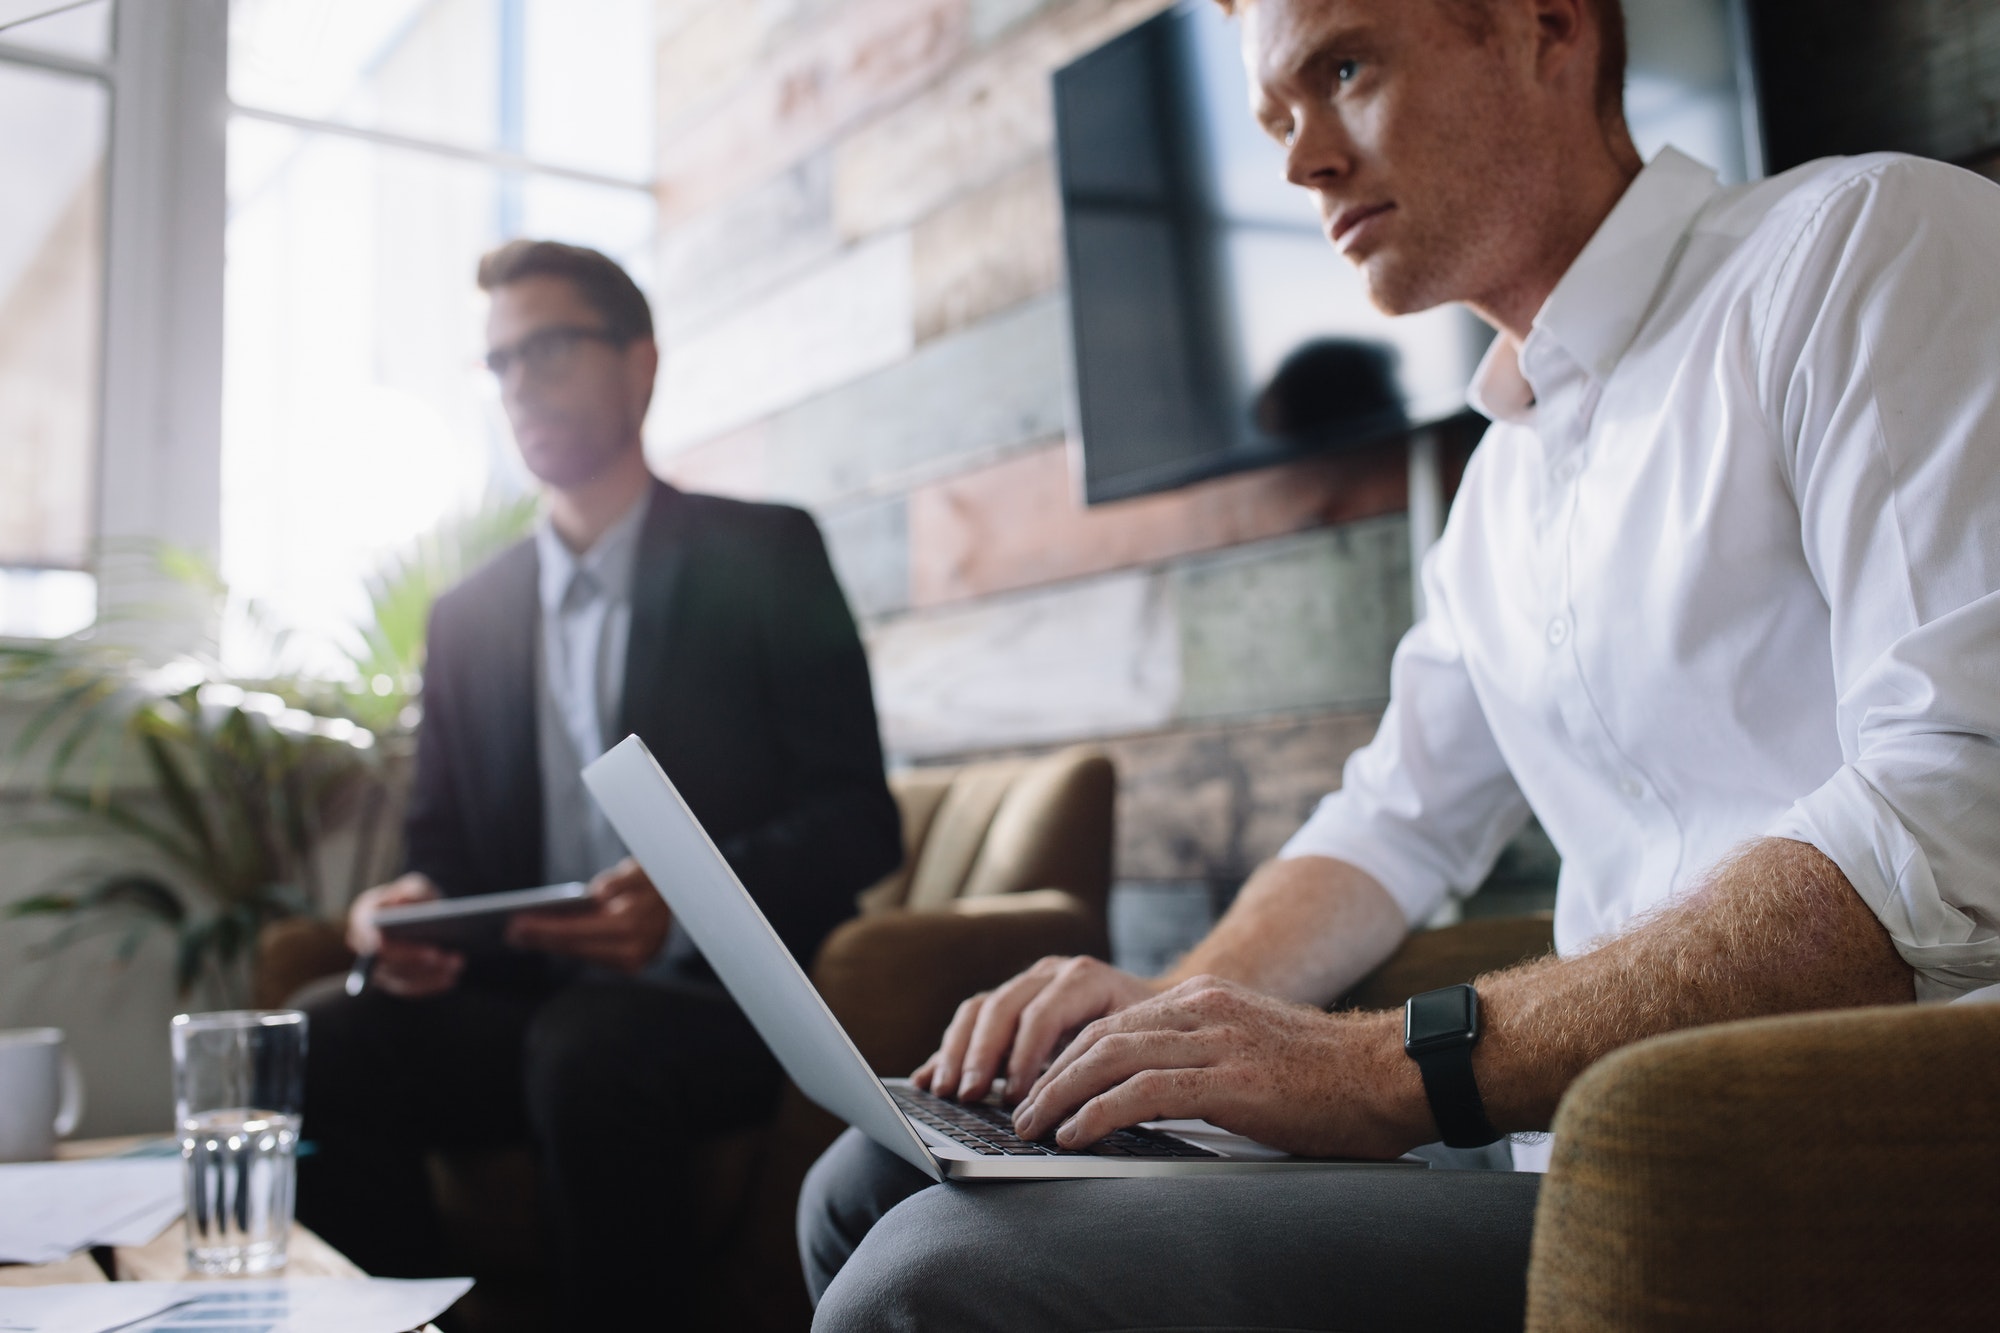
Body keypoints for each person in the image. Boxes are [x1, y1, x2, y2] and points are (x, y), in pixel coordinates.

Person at [797, 0, 2000, 1328]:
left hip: (1834, 1171)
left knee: (933, 1279)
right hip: (1575, 1168)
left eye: (1346, 68)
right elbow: (1391, 818)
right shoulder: (1500, 492)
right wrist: (1173, 1013)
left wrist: (1385, 1071)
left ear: (1548, 28)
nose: (1301, 158)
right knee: (866, 1178)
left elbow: (1958, 804)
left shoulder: (1864, 249)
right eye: (1274, 116)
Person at [294, 240, 902, 1329]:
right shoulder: (466, 617)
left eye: (551, 347)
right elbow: (443, 847)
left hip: (713, 1006)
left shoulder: (763, 555)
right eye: (500, 361)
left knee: (592, 1047)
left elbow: (859, 821)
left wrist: (684, 901)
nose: (520, 380)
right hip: (525, 1006)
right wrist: (409, 910)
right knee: (318, 1039)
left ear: (640, 365)